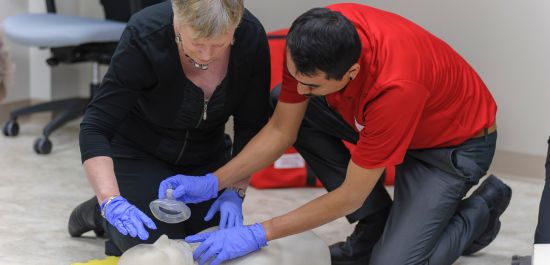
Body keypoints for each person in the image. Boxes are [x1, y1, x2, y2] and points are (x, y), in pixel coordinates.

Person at [159, 3, 513, 265]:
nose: (300, 86)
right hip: (385, 124)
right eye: (298, 75)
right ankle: (377, 224)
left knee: (393, 263)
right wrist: (214, 181)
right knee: (281, 100)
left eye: (311, 84)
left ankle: (482, 207)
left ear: (352, 72)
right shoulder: (313, 40)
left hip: (449, 149)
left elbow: (350, 195)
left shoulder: (395, 88)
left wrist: (259, 232)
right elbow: (282, 129)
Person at [67, 0, 270, 256]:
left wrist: (235, 190)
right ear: (178, 20)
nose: (206, 55)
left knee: (206, 244)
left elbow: (251, 126)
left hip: (207, 159)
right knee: (155, 246)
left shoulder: (251, 37)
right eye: (196, 43)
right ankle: (99, 212)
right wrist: (111, 200)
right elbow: (96, 124)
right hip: (139, 152)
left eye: (219, 44)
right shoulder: (145, 33)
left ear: (236, 26)